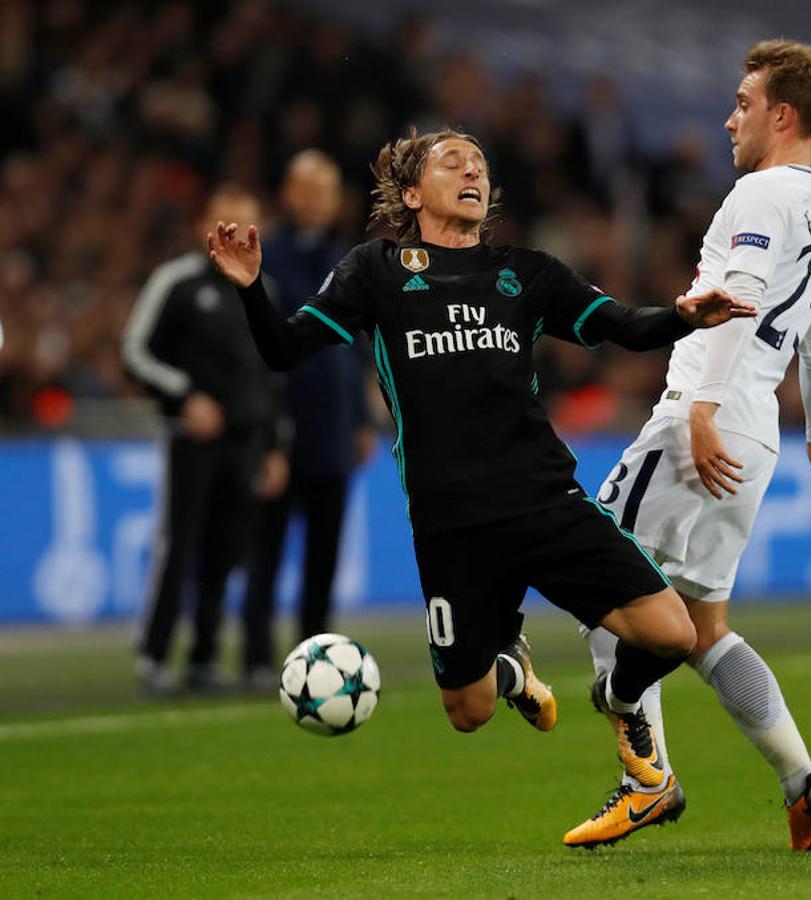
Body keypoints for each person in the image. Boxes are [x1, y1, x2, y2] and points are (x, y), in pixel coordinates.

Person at [207, 130, 757, 796]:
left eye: (481, 166)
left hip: (544, 501)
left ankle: (616, 698)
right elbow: (283, 348)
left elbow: (622, 325)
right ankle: (509, 668)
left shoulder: (525, 274)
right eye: (453, 163)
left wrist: (681, 315)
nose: (473, 172)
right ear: (412, 193)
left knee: (671, 633)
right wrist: (249, 288)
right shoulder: (374, 271)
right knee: (468, 713)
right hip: (451, 523)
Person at [564, 40, 811, 851]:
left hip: (703, 421)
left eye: (743, 102)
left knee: (600, 582)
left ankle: (648, 781)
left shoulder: (758, 196)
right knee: (702, 630)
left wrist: (699, 408)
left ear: (783, 114)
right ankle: (803, 782)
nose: (728, 117)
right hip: (757, 436)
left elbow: (736, 300)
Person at [123, 185, 289, 694]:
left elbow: (273, 373)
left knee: (226, 551)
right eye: (226, 222)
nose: (236, 232)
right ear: (206, 227)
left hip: (245, 444)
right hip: (191, 441)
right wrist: (185, 396)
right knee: (180, 544)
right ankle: (153, 655)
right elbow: (136, 351)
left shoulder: (265, 291)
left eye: (247, 223)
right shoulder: (176, 281)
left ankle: (203, 657)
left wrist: (277, 443)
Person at [241, 150, 376, 688]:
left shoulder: (349, 258)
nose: (319, 199)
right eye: (309, 187)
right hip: (280, 429)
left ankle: (315, 658)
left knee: (323, 556)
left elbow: (360, 345)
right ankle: (254, 655)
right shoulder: (264, 255)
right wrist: (263, 430)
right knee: (266, 550)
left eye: (328, 189)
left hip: (333, 431)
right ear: (288, 194)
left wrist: (362, 419)